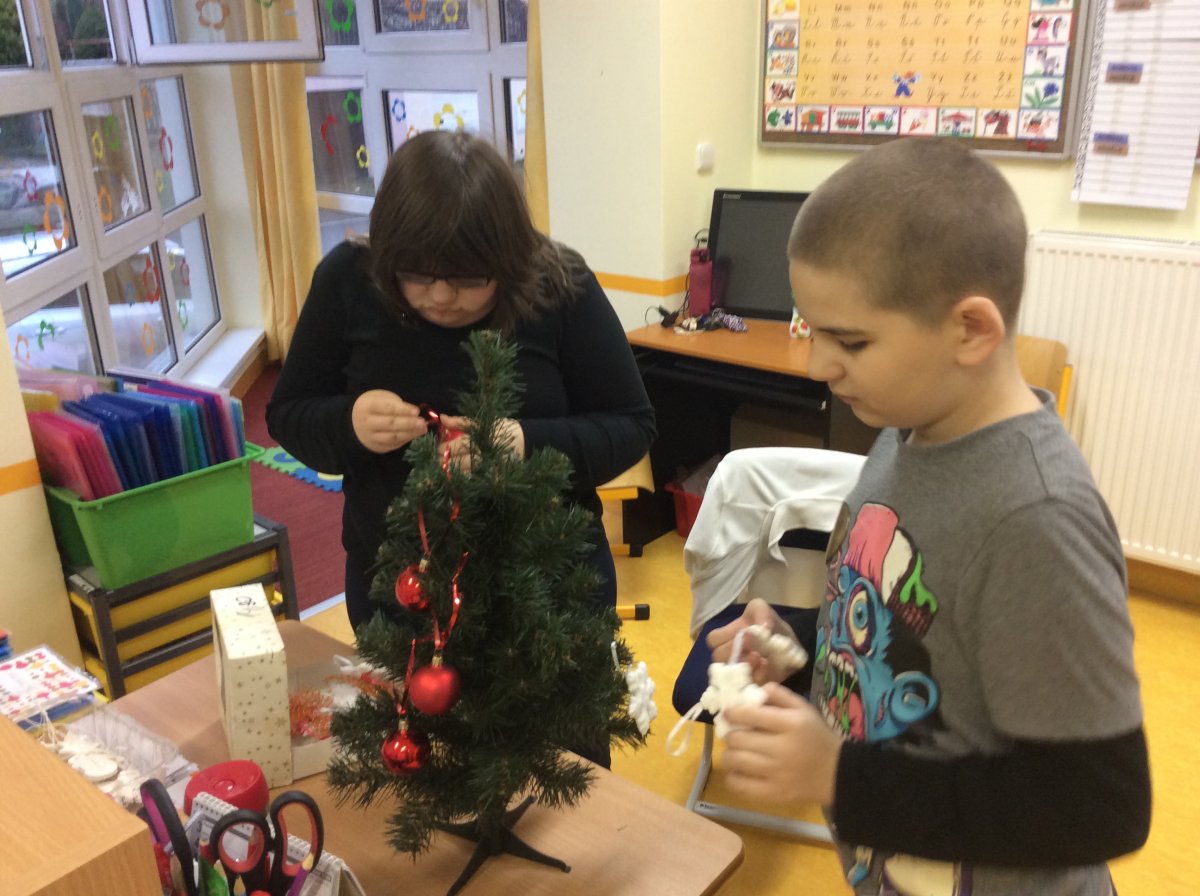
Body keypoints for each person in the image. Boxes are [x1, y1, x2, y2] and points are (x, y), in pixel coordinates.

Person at [707, 138, 1150, 895]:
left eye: (850, 341)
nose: (818, 366)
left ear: (970, 330)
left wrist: (838, 777)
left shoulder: (1036, 521)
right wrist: (797, 645)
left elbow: (1102, 804)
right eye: (812, 330)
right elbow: (908, 630)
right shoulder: (906, 431)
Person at [267, 131, 656, 645]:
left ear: (508, 260)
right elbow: (288, 413)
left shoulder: (561, 285)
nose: (442, 296)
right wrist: (350, 424)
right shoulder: (347, 281)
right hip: (399, 590)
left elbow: (631, 425)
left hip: (547, 591)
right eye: (416, 275)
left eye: (470, 279)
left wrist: (523, 444)